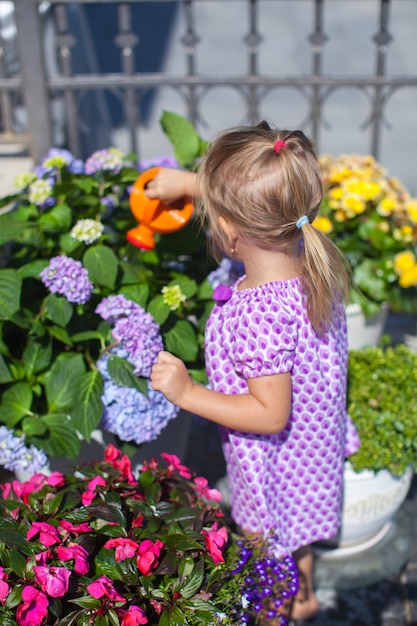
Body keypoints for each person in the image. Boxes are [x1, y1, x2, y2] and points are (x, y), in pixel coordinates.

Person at [148, 122, 360, 623]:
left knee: (267, 551)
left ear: (227, 230)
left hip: (273, 470)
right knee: (299, 531)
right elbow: (262, 202)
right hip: (313, 456)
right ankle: (305, 594)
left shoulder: (258, 315)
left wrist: (188, 391)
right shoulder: (310, 255)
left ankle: (275, 611)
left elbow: (267, 415)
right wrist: (190, 184)